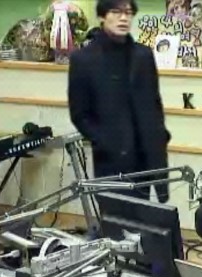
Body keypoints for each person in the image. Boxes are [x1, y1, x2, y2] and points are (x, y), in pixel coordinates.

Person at [68, 0, 171, 203]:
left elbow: (154, 106)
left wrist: (160, 139)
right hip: (111, 160)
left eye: (128, 13)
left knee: (147, 217)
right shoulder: (83, 59)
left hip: (145, 158)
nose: (123, 18)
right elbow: (80, 114)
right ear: (102, 16)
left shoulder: (143, 55)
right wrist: (105, 140)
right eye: (116, 12)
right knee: (115, 218)